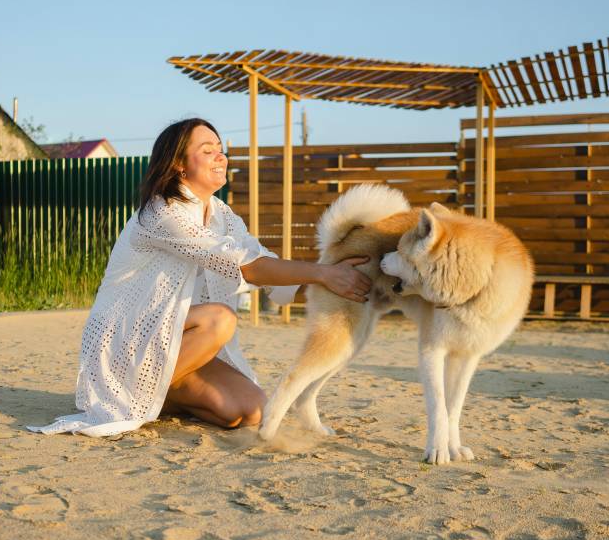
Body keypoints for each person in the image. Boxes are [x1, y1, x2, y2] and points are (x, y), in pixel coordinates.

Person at [28, 118, 371, 437]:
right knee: (220, 320)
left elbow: (262, 258)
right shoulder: (162, 212)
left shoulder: (223, 214)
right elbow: (245, 265)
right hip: (129, 341)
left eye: (220, 149)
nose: (219, 157)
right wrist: (323, 274)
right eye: (207, 151)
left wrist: (335, 276)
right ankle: (133, 393)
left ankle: (161, 398)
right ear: (178, 163)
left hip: (175, 340)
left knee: (251, 411)